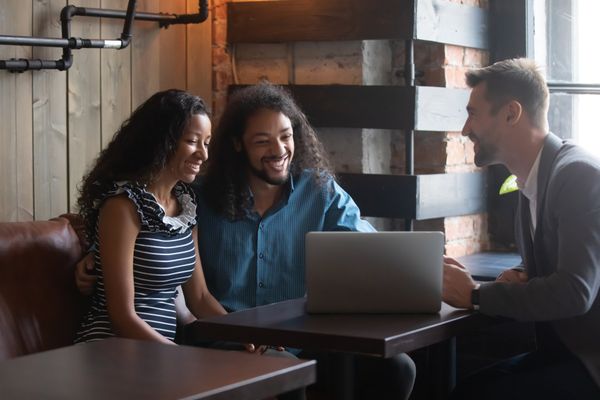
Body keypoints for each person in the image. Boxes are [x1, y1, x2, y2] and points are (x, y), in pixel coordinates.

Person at [77, 83, 416, 399]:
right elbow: (142, 233)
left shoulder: (319, 192)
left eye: (285, 136)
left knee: (395, 368)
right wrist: (91, 256)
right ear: (238, 144)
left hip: (295, 342)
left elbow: (369, 249)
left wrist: (415, 269)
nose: (279, 149)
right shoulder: (199, 197)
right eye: (262, 141)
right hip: (215, 345)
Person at [443, 58, 600, 399]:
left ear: (511, 113)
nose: (465, 128)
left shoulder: (578, 175)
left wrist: (475, 295)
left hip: (590, 366)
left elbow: (575, 291)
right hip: (564, 357)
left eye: (473, 113)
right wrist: (522, 272)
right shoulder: (531, 180)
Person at [75, 89, 226, 344]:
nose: (203, 154)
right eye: (192, 141)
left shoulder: (186, 208)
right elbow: (122, 317)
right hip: (112, 347)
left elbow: (199, 297)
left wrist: (246, 334)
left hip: (159, 356)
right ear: (161, 141)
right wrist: (181, 357)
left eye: (207, 143)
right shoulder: (123, 207)